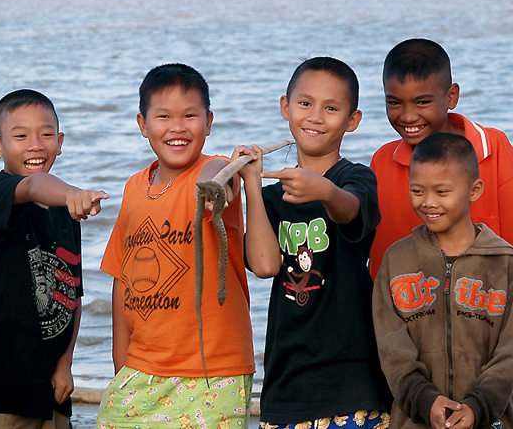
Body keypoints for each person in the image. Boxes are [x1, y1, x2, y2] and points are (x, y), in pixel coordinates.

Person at [233, 57, 390, 429]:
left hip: (353, 382)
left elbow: (351, 210)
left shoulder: (356, 179)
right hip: (286, 383)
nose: (316, 117)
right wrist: (252, 186)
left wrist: (325, 190)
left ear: (352, 120)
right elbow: (264, 266)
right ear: (286, 107)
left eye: (331, 108)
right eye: (305, 103)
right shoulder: (272, 198)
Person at [97, 63, 255, 429]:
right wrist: (121, 364)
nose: (178, 127)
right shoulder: (134, 187)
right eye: (164, 116)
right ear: (143, 124)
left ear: (209, 122)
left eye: (190, 115)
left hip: (214, 372)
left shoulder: (215, 168)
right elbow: (123, 278)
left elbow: (218, 176)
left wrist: (214, 190)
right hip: (140, 370)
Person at [0, 89, 108, 429]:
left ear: (60, 141)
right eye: (21, 136)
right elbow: (34, 185)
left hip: (52, 388)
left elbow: (72, 294)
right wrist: (73, 194)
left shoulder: (66, 210)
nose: (36, 145)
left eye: (46, 134)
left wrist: (65, 364)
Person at [372, 132, 513, 429]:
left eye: (442, 192)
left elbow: (509, 354)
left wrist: (478, 406)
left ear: (474, 190)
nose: (428, 202)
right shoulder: (396, 260)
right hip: (414, 421)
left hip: (492, 421)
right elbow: (391, 349)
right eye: (417, 191)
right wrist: (426, 401)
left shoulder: (505, 263)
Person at [369, 38, 513, 278]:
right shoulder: (382, 160)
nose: (408, 116)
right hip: (400, 299)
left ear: (451, 96)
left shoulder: (493, 148)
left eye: (422, 102)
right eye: (394, 102)